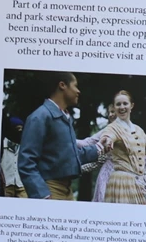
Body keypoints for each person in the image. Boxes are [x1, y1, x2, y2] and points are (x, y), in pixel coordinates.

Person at [17, 72, 109, 200]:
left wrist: (99, 147)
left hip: (67, 191)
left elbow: (69, 156)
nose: (78, 91)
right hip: (50, 190)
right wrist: (42, 194)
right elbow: (26, 162)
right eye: (75, 86)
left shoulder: (64, 117)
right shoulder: (40, 116)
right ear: (62, 85)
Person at [91, 90, 146, 205]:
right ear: (114, 107)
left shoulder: (139, 130)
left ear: (131, 106)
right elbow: (109, 135)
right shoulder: (113, 127)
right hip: (121, 182)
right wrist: (107, 140)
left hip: (139, 182)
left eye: (125, 103)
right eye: (118, 104)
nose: (122, 107)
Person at [0, 116, 27, 198]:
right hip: (6, 184)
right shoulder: (1, 146)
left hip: (20, 183)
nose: (20, 131)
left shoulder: (24, 145)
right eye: (18, 129)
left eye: (21, 129)